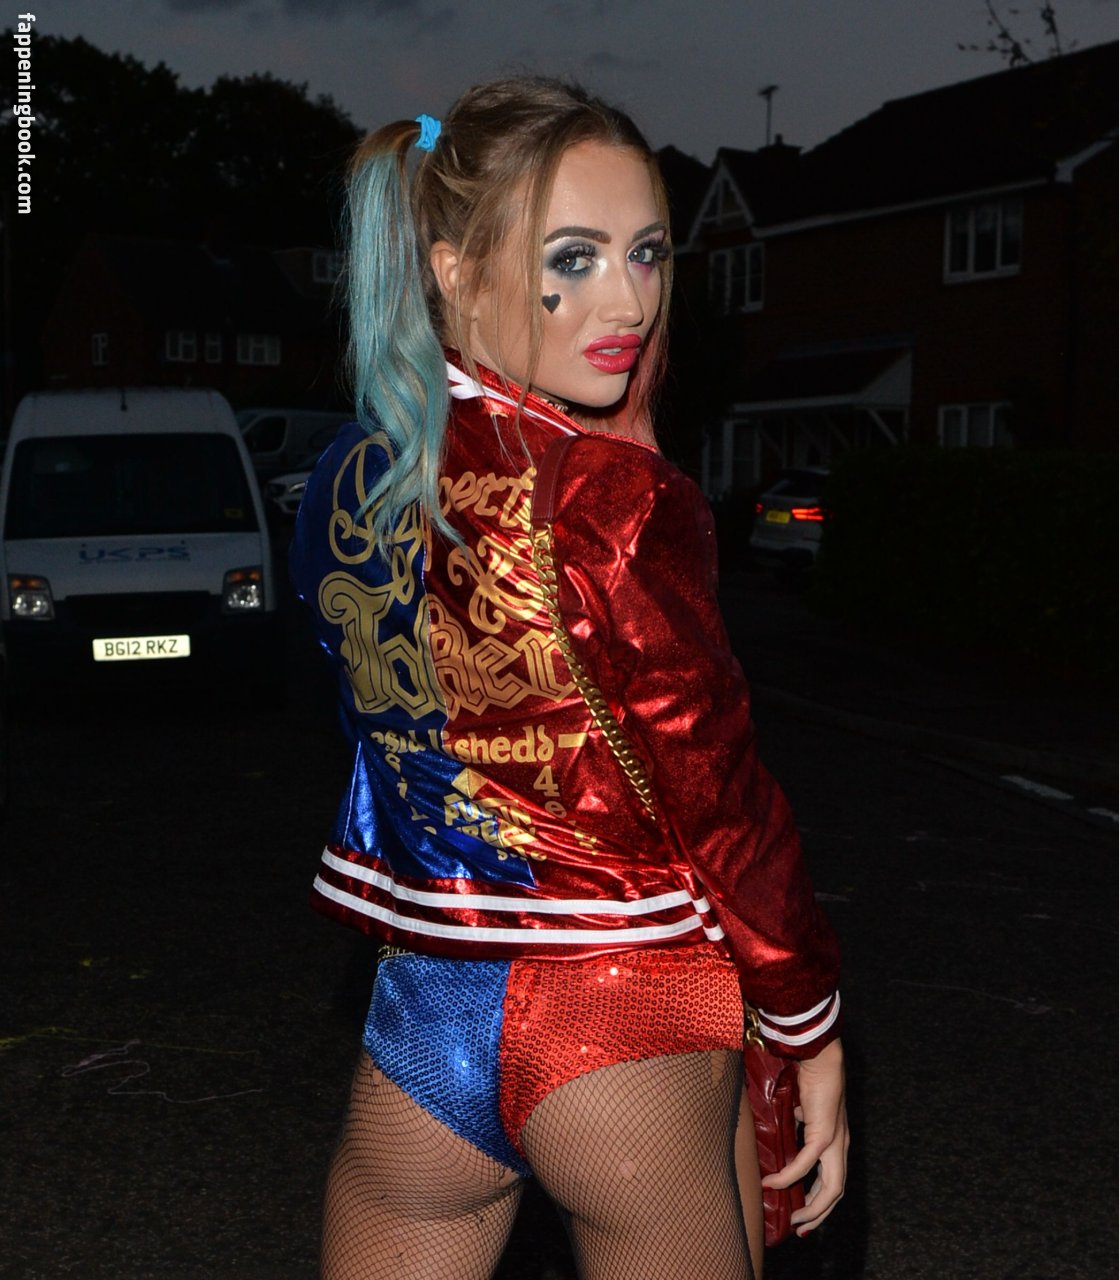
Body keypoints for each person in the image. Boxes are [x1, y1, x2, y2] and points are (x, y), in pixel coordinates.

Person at [291, 76, 848, 1280]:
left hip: (426, 1011)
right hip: (622, 1012)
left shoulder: (351, 476)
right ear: (452, 271)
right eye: (575, 259)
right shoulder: (617, 498)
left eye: (646, 253)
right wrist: (806, 1011)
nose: (629, 300)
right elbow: (719, 792)